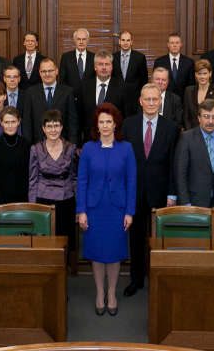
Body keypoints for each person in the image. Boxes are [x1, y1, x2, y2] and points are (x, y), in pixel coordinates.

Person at [76, 102, 136, 316]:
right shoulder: (88, 148)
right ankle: (99, 292)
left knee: (114, 253)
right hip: (94, 208)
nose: (105, 125)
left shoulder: (126, 148)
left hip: (117, 209)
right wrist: (81, 211)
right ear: (97, 125)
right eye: (101, 122)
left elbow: (131, 181)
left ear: (115, 124)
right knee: (97, 253)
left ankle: (111, 293)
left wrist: (129, 211)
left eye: (108, 121)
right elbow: (82, 181)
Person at [121, 83, 179, 296]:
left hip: (161, 193)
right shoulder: (128, 125)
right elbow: (123, 162)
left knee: (158, 240)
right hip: (134, 193)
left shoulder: (171, 128)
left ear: (160, 101)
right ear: (140, 101)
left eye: (155, 99)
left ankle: (158, 279)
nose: (152, 103)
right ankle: (136, 280)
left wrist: (172, 193)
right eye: (148, 99)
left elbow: (174, 164)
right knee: (136, 238)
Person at [29, 109, 78, 266]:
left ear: (61, 127)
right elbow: (33, 179)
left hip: (66, 200)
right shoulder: (36, 149)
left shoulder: (71, 148)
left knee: (65, 242)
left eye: (56, 125)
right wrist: (33, 206)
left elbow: (74, 177)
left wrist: (78, 206)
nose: (53, 130)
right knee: (45, 242)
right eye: (49, 126)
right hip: (43, 201)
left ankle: (64, 269)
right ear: (43, 129)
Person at [174, 99, 214, 208]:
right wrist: (185, 202)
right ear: (199, 118)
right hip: (194, 202)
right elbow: (180, 173)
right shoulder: (186, 138)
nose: (210, 121)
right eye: (206, 116)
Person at [22, 58, 79, 144]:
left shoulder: (67, 92)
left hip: (62, 144)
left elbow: (72, 122)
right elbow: (27, 122)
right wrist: (28, 146)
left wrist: (72, 145)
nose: (47, 74)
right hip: (38, 145)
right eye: (44, 71)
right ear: (40, 73)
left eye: (50, 71)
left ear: (56, 71)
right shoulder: (30, 92)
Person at [0, 107, 30, 204]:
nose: (10, 126)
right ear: (1, 123)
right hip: (1, 200)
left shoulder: (26, 145)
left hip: (23, 199)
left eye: (13, 122)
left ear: (19, 122)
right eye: (6, 122)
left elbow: (28, 175)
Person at [79, 51, 125, 136]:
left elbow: (125, 116)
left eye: (107, 64)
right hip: (89, 137)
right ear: (95, 67)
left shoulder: (122, 87)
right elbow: (80, 114)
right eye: (100, 64)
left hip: (113, 137)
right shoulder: (84, 86)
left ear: (111, 67)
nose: (104, 67)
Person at [183, 59, 214, 127]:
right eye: (199, 74)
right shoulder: (188, 91)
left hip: (210, 130)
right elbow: (186, 116)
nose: (202, 77)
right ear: (195, 75)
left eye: (205, 73)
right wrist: (191, 132)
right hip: (191, 131)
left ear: (210, 74)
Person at [152, 33, 194, 98]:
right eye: (172, 43)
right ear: (168, 45)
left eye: (177, 43)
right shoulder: (159, 62)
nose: (174, 45)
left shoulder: (189, 62)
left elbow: (191, 85)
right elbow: (155, 83)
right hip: (165, 99)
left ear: (181, 44)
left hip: (183, 99)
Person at [58, 28, 95, 94]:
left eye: (84, 39)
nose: (81, 42)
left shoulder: (94, 57)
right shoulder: (66, 57)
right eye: (78, 39)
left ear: (88, 40)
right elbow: (62, 80)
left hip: (89, 95)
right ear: (74, 40)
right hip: (71, 96)